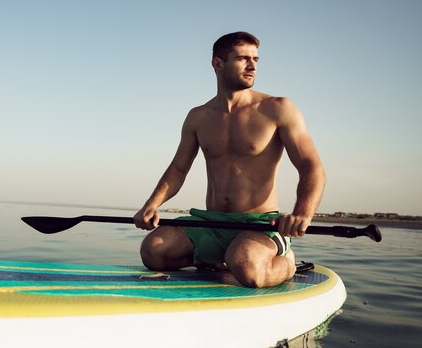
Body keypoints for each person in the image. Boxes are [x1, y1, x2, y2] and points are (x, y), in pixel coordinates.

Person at [134, 31, 326, 288]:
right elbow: (178, 169)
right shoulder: (198, 116)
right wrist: (152, 204)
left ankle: (286, 261)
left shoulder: (278, 108)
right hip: (210, 222)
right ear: (218, 63)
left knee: (248, 269)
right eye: (243, 58)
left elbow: (311, 166)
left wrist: (303, 213)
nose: (253, 65)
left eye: (255, 58)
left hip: (259, 225)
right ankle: (218, 258)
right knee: (153, 251)